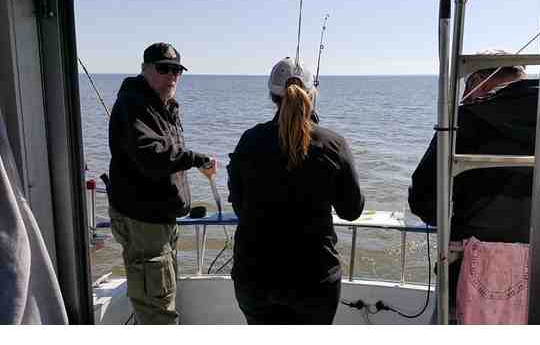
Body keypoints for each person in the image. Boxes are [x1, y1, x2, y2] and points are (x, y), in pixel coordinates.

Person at [227, 57, 365, 324]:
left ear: (272, 96)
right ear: (311, 95)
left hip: (254, 278)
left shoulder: (249, 141)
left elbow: (239, 204)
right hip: (314, 279)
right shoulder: (333, 144)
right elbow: (351, 210)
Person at [408, 54, 539, 322]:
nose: (465, 97)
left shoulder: (464, 121)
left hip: (466, 270)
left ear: (478, 79)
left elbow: (423, 198)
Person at [108, 42, 216, 325]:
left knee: (163, 294)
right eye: (164, 69)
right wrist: (195, 158)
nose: (172, 76)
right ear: (145, 69)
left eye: (177, 71)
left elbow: (167, 156)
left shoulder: (165, 106)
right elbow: (151, 155)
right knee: (157, 307)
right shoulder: (133, 104)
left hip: (162, 220)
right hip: (144, 222)